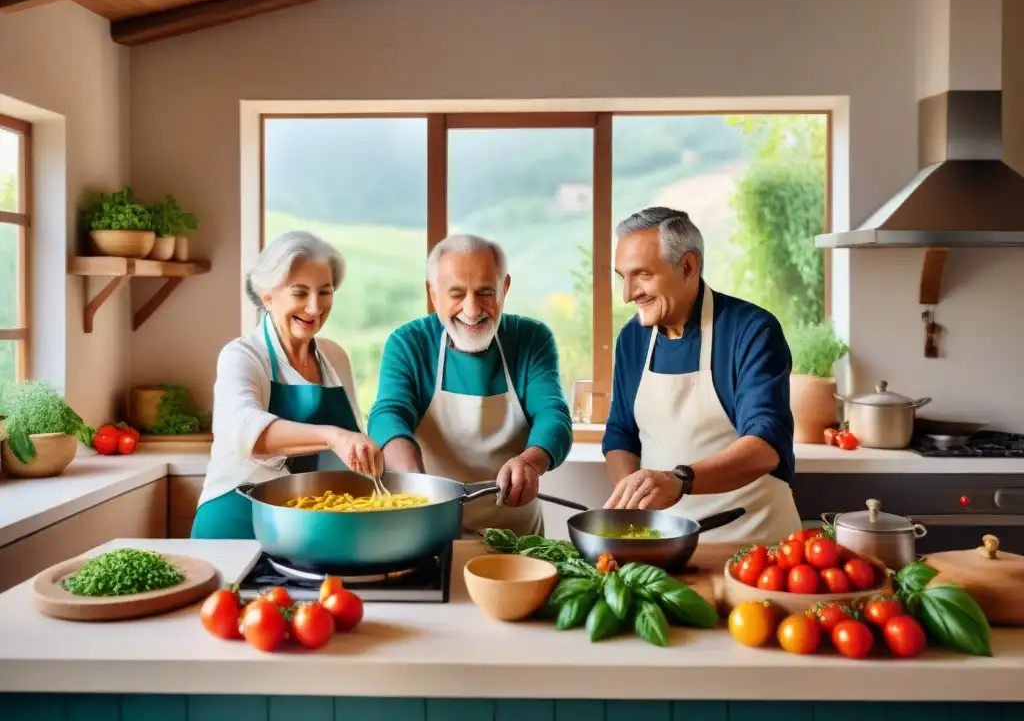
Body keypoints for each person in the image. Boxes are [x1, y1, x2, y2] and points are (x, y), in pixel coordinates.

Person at [601, 206, 801, 544]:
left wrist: (679, 481)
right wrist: (631, 506)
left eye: (643, 275)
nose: (627, 294)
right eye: (623, 277)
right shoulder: (632, 339)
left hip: (755, 544)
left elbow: (766, 443)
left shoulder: (751, 331)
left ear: (689, 267)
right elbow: (621, 433)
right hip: (665, 544)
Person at [367, 234, 573, 537]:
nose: (473, 309)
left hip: (517, 536)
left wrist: (530, 462)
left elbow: (553, 414)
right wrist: (416, 484)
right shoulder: (408, 343)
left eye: (485, 292)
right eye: (456, 294)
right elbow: (388, 413)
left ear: (505, 288)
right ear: (433, 293)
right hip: (431, 528)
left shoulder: (531, 338)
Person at [191, 231, 382, 540]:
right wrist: (333, 436)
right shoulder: (243, 355)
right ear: (268, 295)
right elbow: (245, 430)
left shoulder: (335, 358)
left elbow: (349, 446)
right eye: (299, 293)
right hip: (236, 523)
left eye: (325, 292)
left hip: (303, 527)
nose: (314, 308)